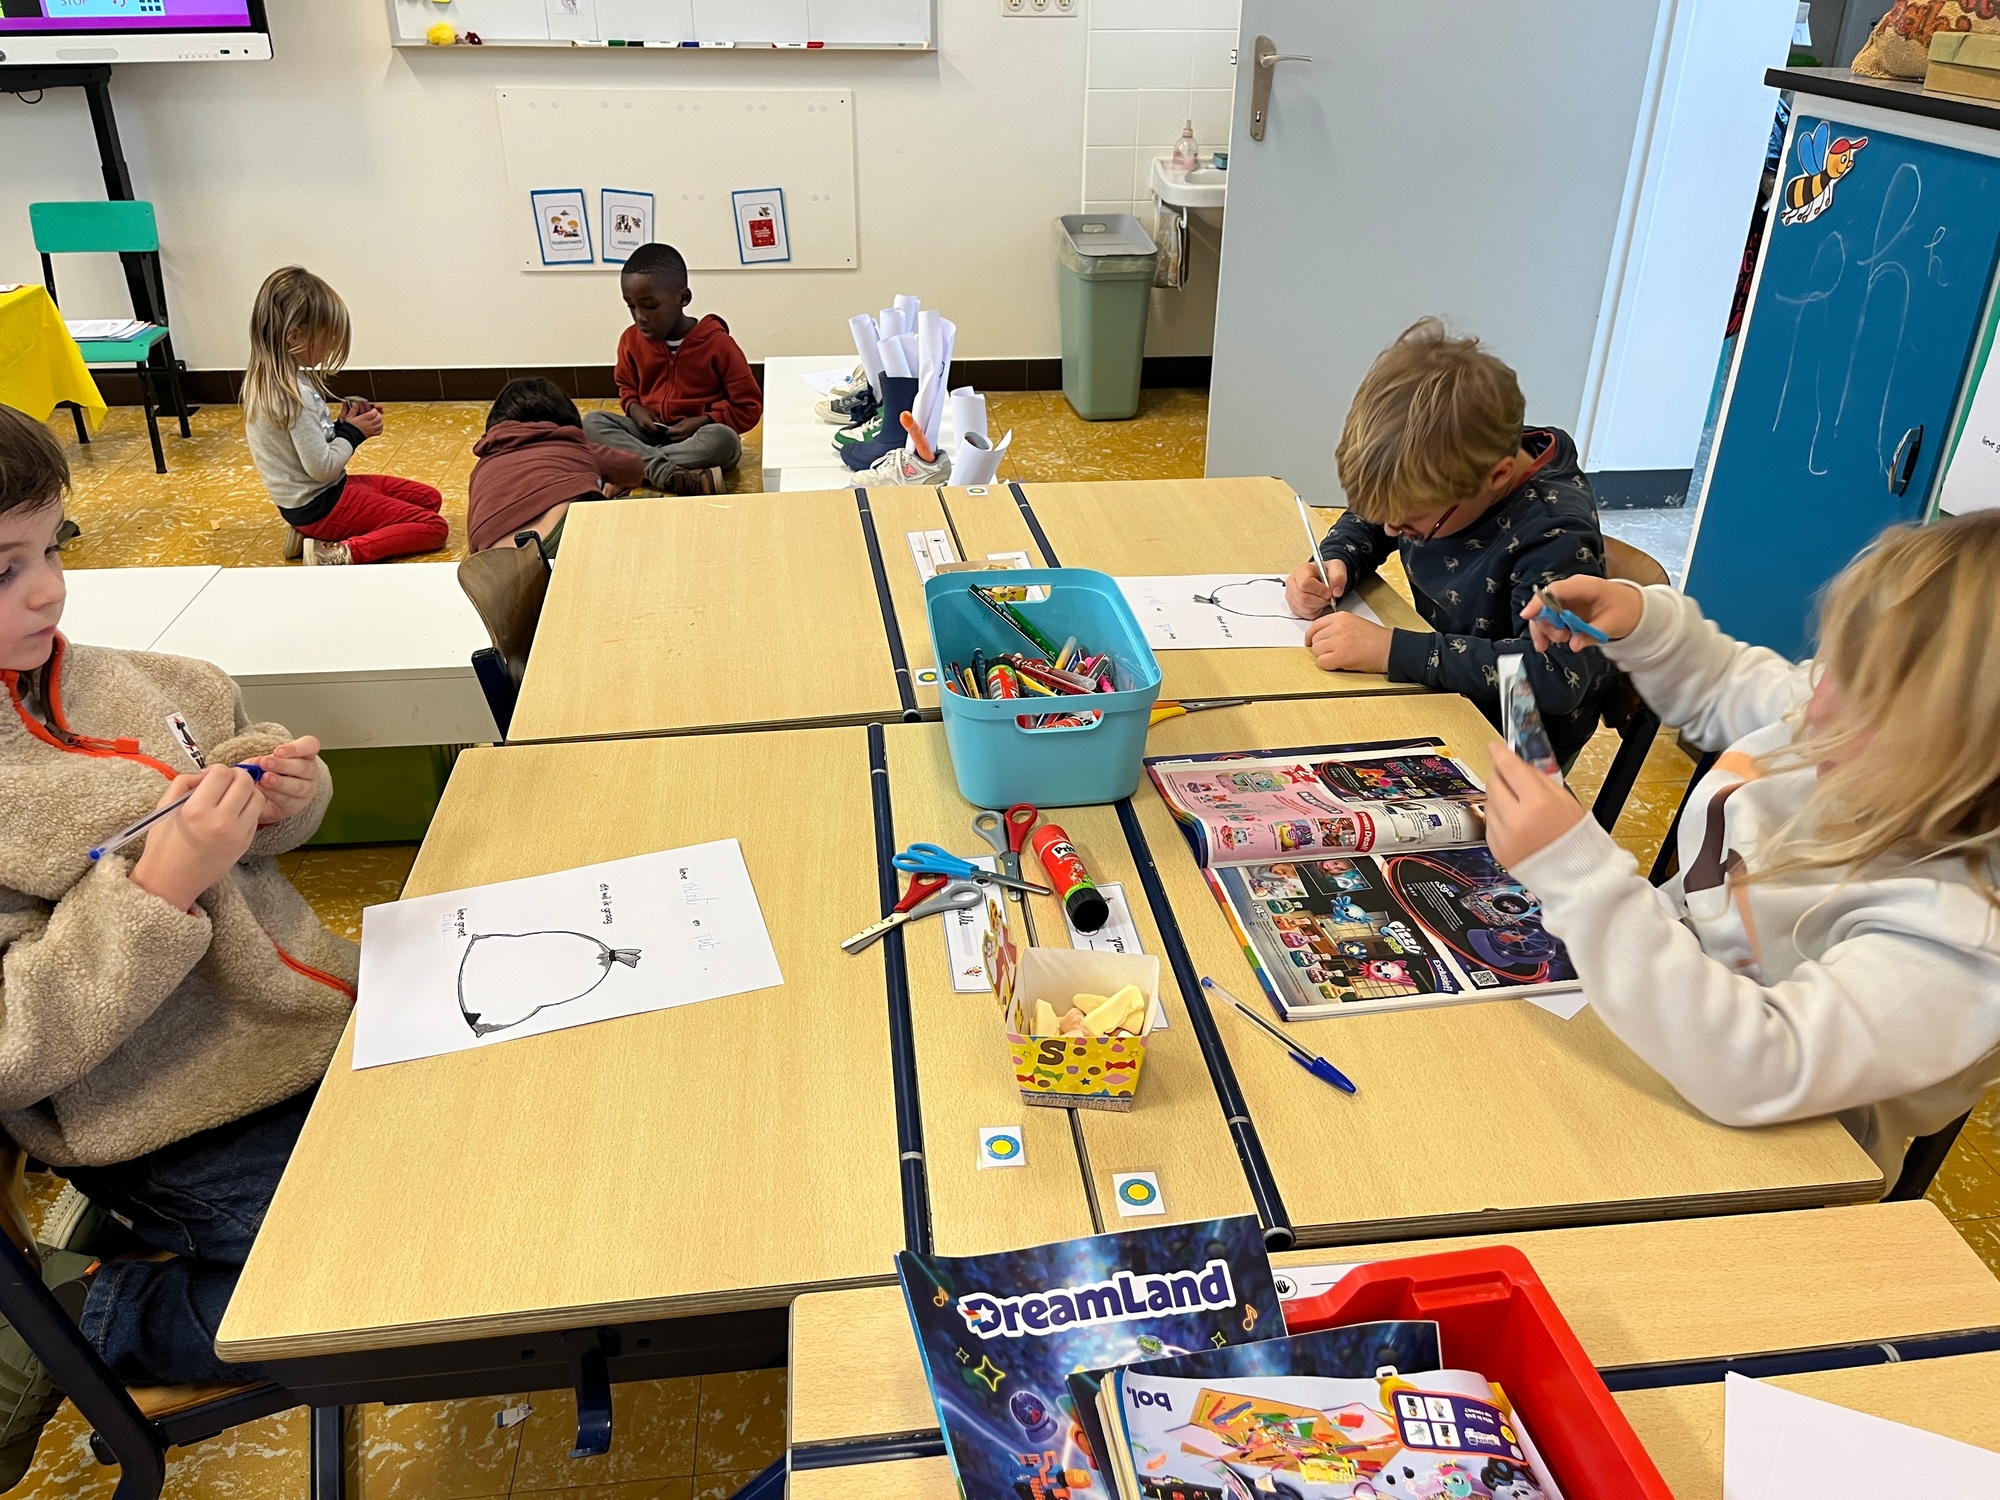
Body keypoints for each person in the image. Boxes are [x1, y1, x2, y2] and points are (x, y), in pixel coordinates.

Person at [0, 403, 356, 1480]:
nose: (48, 591)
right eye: (4, 570)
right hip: (179, 1125)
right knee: (395, 1272)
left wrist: (283, 795)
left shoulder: (156, 682)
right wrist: (158, 886)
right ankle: (107, 1314)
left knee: (513, 1161)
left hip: (325, 1024)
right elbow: (12, 1044)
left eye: (51, 547)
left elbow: (260, 827)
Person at [1484, 511, 2000, 1178]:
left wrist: (1580, 875)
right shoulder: (1836, 722)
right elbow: (1728, 684)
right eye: (1834, 666)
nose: (1816, 705)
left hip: (1778, 1159)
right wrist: (1645, 626)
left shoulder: (1962, 937)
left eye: (1865, 693)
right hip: (1650, 1011)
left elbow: (1760, 1067)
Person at [1285, 319, 1616, 769]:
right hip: (1441, 687)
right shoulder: (1456, 468)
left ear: (1497, 477)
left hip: (1518, 739)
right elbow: (1379, 517)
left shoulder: (1553, 534)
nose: (1390, 530)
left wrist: (1392, 650)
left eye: (1412, 524)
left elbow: (1555, 675)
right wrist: (1337, 557)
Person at [243, 266, 448, 565]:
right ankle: (337, 553)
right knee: (433, 527)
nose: (330, 346)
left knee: (429, 500)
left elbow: (307, 450)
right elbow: (322, 468)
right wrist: (354, 433)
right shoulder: (294, 395)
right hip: (322, 504)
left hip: (319, 497)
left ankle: (309, 534)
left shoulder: (268, 382)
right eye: (326, 337)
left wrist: (340, 426)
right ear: (294, 336)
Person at [581, 242, 762, 497]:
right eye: (631, 306)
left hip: (696, 439)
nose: (640, 317)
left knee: (724, 441)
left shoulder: (718, 344)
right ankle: (667, 473)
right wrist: (635, 409)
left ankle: (632, 470)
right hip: (648, 434)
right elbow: (627, 387)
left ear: (683, 298)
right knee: (592, 423)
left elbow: (748, 406)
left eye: (650, 306)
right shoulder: (630, 340)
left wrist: (705, 420)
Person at [466, 378, 646, 554]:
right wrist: (614, 485)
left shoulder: (482, 466)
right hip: (561, 536)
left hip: (493, 558)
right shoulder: (573, 445)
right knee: (647, 511)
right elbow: (634, 467)